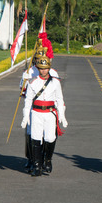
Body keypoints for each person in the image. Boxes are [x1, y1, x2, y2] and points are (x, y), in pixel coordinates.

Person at [21, 55, 68, 176]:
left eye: (45, 68)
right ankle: (37, 166)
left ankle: (47, 160)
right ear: (38, 68)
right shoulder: (33, 82)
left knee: (50, 138)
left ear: (49, 68)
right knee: (36, 138)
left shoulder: (55, 82)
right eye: (41, 68)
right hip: (36, 113)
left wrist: (62, 115)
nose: (43, 70)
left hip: (50, 113)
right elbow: (28, 100)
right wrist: (26, 116)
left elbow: (59, 98)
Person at [20, 37, 59, 172]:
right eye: (37, 58)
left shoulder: (52, 73)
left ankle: (45, 159)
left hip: (48, 107)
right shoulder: (29, 72)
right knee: (32, 134)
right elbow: (23, 92)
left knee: (48, 135)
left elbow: (55, 92)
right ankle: (32, 160)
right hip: (32, 106)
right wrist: (24, 83)